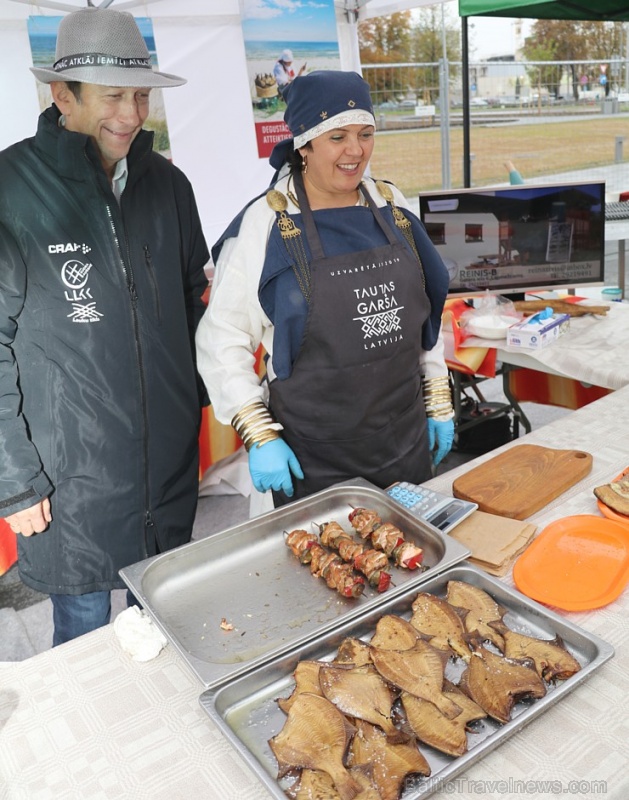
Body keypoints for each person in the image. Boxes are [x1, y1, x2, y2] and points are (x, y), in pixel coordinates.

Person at [0, 7, 210, 645]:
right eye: (114, 95)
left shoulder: (168, 184)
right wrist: (15, 478)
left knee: (165, 637)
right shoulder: (11, 188)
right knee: (87, 644)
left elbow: (190, 302)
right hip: (73, 475)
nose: (133, 113)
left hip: (166, 465)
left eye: (141, 94)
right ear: (62, 95)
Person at [196, 70, 455, 510]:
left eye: (365, 134)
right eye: (337, 136)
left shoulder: (393, 206)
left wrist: (438, 393)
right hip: (311, 457)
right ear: (305, 143)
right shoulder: (267, 223)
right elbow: (222, 337)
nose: (356, 150)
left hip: (403, 441)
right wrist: (259, 434)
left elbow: (423, 313)